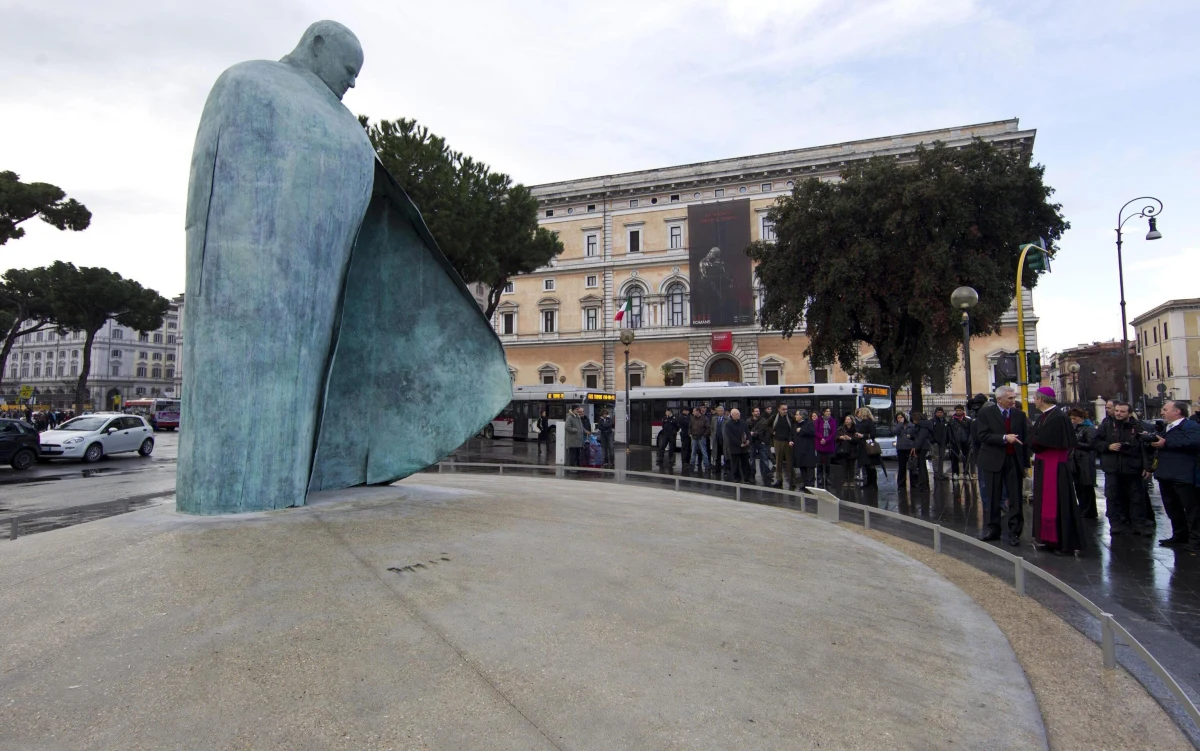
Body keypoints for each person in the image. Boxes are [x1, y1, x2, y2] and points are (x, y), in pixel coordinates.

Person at [1029, 388, 1086, 554]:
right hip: (1045, 464)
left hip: (1055, 466)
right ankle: (1048, 539)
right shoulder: (1046, 416)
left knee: (1059, 502)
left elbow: (1040, 439)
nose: (1034, 400)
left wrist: (1031, 441)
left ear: (1041, 399)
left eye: (1035, 397)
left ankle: (1063, 542)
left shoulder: (1057, 417)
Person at [976, 385, 1028, 546]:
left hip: (1013, 460)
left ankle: (1014, 531)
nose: (1013, 401)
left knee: (1015, 497)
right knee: (993, 496)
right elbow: (982, 436)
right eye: (1010, 398)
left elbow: (1024, 441)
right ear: (999, 399)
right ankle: (993, 529)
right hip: (993, 460)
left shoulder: (1019, 415)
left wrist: (1025, 464)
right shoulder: (986, 413)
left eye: (1014, 398)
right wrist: (1004, 438)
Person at [1096, 401, 1152, 537]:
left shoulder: (1138, 427)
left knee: (1137, 498)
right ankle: (1115, 525)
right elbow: (1094, 442)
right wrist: (1108, 446)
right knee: (1112, 497)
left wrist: (1147, 467)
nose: (1118, 414)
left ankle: (1138, 525)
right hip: (1112, 468)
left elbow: (1145, 449)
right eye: (1117, 411)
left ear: (1129, 413)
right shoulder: (1106, 426)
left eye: (1122, 411)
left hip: (1133, 467)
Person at [1151, 400, 1200, 550]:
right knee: (1173, 508)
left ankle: (1196, 540)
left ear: (1177, 411)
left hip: (1183, 475)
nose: (1162, 412)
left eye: (1165, 409)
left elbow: (1194, 442)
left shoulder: (1191, 426)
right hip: (1166, 474)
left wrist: (1166, 443)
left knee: (1192, 509)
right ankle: (1179, 535)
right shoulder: (1166, 427)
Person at [1067, 408, 1099, 519]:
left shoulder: (1088, 429)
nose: (1072, 420)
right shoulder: (1076, 429)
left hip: (1085, 462)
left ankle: (1088, 511)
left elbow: (1092, 445)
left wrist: (1075, 443)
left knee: (1086, 487)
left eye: (1074, 418)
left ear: (1081, 418)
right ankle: (1083, 509)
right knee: (1079, 487)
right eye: (1071, 418)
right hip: (1076, 461)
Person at [722, 408, 753, 483]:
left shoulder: (743, 422)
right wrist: (740, 444)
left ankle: (747, 478)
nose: (739, 415)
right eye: (737, 414)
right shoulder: (728, 425)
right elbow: (730, 437)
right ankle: (737, 478)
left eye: (739, 413)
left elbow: (747, 432)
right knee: (735, 464)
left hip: (744, 447)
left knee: (745, 463)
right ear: (732, 415)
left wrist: (749, 440)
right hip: (734, 447)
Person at [771, 403, 796, 489]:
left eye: (786, 409)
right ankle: (779, 480)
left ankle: (792, 481)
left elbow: (794, 425)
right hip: (777, 441)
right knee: (778, 461)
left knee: (789, 462)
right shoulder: (774, 417)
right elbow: (765, 425)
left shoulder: (789, 417)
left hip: (787, 441)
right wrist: (772, 432)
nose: (785, 411)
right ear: (779, 409)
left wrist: (791, 439)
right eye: (783, 409)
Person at [908, 410, 934, 491]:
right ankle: (923, 484)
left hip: (922, 447)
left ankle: (924, 485)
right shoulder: (923, 425)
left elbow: (921, 438)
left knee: (922, 466)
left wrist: (915, 447)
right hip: (923, 446)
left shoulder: (922, 425)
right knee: (922, 466)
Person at [855, 407, 880, 488]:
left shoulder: (869, 422)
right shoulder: (862, 422)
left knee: (870, 465)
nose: (858, 414)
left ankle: (873, 483)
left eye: (859, 412)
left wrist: (862, 435)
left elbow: (873, 434)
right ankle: (868, 482)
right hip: (862, 445)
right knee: (866, 465)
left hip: (868, 446)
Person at [793, 409, 817, 488]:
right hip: (799, 448)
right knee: (802, 466)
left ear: (801, 416)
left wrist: (801, 430)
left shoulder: (809, 423)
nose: (795, 416)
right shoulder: (796, 424)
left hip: (808, 448)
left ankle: (810, 483)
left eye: (797, 414)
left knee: (809, 467)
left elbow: (812, 432)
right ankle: (805, 483)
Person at [814, 407, 837, 488]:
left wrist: (826, 440)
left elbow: (833, 433)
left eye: (829, 411)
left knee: (828, 462)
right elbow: (816, 431)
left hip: (829, 444)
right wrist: (822, 438)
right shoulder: (818, 420)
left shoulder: (832, 421)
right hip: (820, 443)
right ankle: (819, 477)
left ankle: (827, 477)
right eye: (827, 411)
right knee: (820, 461)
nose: (828, 412)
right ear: (823, 412)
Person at [750, 406, 773, 485]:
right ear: (752, 412)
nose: (758, 412)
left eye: (758, 411)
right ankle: (752, 473)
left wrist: (765, 441)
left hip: (761, 442)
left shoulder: (763, 420)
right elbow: (747, 431)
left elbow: (767, 431)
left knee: (764, 458)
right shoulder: (748, 421)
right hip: (752, 442)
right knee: (752, 459)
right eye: (756, 411)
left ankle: (767, 473)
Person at [949, 405, 973, 478]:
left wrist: (970, 440)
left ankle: (966, 472)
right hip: (955, 442)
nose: (958, 412)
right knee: (954, 458)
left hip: (965, 441)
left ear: (963, 411)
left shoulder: (968, 420)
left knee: (966, 458)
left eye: (960, 410)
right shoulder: (952, 420)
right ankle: (955, 473)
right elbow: (949, 432)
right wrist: (952, 440)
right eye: (957, 410)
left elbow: (971, 431)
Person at [836, 414, 860, 486]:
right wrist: (841, 437)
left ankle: (852, 480)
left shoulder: (856, 429)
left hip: (852, 449)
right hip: (843, 449)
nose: (847, 421)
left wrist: (850, 439)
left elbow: (857, 440)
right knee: (845, 466)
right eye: (846, 419)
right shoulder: (841, 428)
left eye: (848, 419)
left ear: (852, 421)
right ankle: (845, 480)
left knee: (851, 466)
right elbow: (835, 438)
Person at [894, 412, 913, 492]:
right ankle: (901, 483)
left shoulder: (910, 425)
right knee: (902, 466)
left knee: (912, 466)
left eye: (901, 417)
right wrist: (900, 424)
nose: (900, 419)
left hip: (909, 447)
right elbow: (894, 432)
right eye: (898, 417)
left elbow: (913, 434)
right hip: (901, 447)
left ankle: (913, 482)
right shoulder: (896, 425)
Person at [689, 405, 711, 472]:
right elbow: (689, 427)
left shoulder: (704, 418)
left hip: (701, 437)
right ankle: (691, 465)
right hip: (694, 437)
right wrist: (690, 434)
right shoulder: (692, 418)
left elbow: (708, 428)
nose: (693, 413)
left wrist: (704, 436)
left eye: (694, 411)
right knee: (693, 452)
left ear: (698, 411)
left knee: (704, 452)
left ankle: (706, 466)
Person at [930, 407, 950, 481]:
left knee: (941, 458)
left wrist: (947, 441)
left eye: (941, 412)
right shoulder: (932, 421)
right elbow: (930, 432)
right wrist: (933, 440)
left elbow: (946, 432)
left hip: (943, 443)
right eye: (938, 412)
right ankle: (936, 474)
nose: (939, 414)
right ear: (935, 413)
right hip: (935, 443)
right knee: (936, 458)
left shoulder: (944, 421)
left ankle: (940, 473)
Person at [710, 406, 728, 476]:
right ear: (717, 412)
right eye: (718, 411)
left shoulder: (727, 419)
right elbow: (711, 428)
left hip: (724, 439)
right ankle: (717, 469)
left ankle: (726, 469)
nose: (720, 412)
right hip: (716, 439)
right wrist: (713, 435)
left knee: (725, 455)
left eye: (721, 411)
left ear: (723, 412)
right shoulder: (714, 419)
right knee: (717, 455)